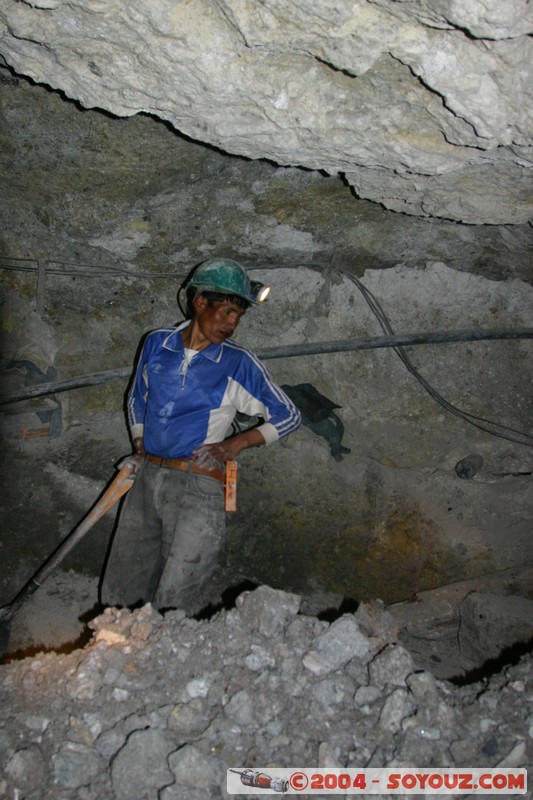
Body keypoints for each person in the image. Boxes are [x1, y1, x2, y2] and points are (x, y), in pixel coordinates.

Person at [101, 258, 301, 614]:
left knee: (176, 597)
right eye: (226, 311)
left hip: (198, 483)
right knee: (122, 589)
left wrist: (234, 444)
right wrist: (138, 441)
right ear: (199, 303)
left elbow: (289, 415)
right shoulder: (157, 344)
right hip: (147, 478)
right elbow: (136, 396)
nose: (232, 323)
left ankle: (168, 658)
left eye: (238, 316)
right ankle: (114, 659)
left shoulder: (238, 362)